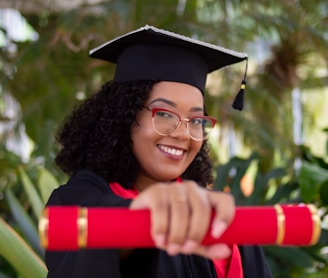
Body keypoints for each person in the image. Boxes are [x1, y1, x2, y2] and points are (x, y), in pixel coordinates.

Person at [45, 25, 272, 278]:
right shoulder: (77, 200)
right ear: (125, 116)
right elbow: (93, 236)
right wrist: (145, 216)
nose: (183, 133)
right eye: (163, 114)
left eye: (196, 120)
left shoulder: (219, 220)